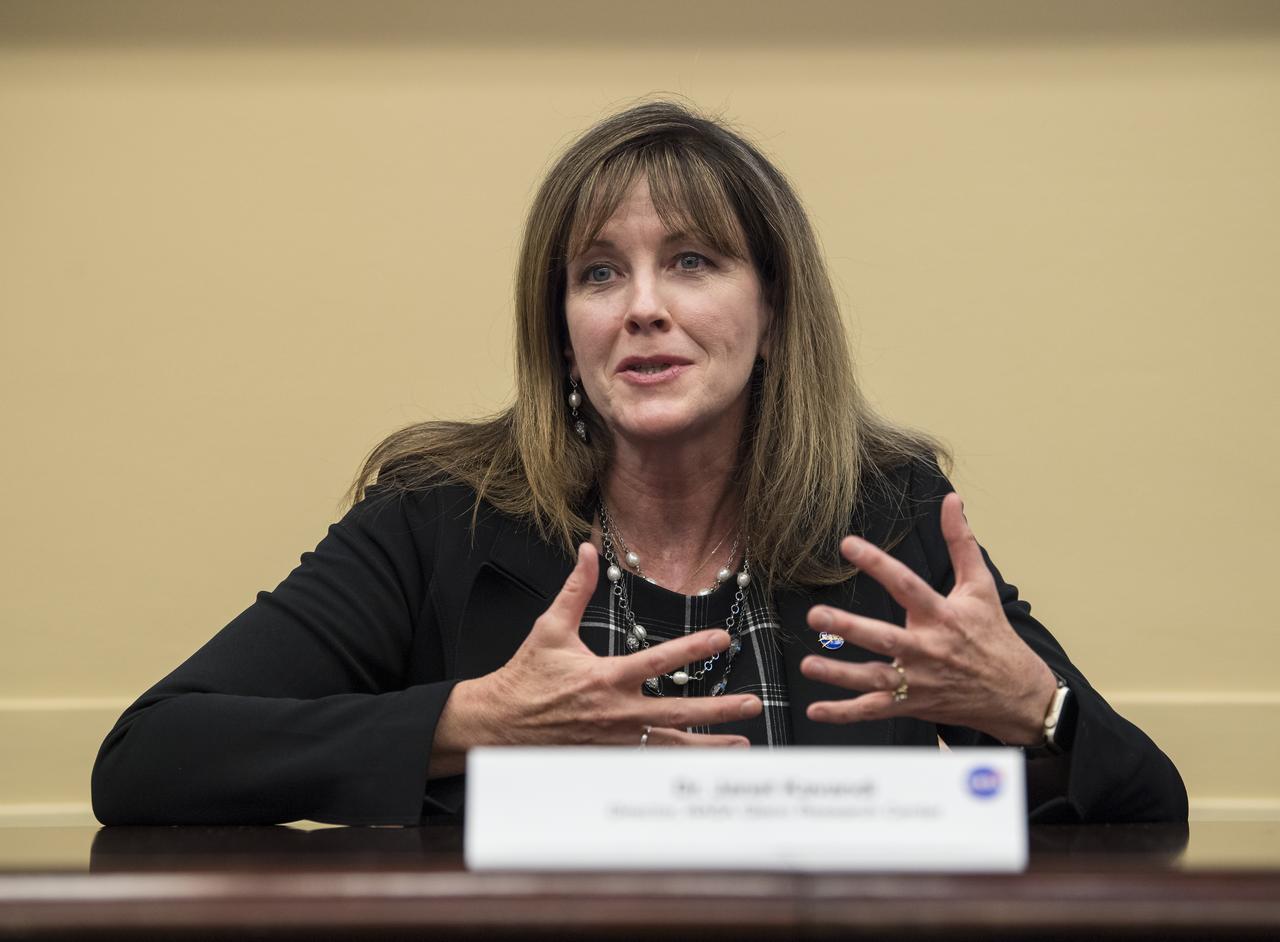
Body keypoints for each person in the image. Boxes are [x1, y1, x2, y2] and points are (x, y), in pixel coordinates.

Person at [91, 101, 1187, 827]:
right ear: (562, 328)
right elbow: (148, 757)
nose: (644, 308)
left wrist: (1037, 711)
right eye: (600, 273)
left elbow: (1148, 810)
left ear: (773, 312)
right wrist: (471, 724)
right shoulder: (440, 515)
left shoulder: (889, 515)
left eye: (693, 261)